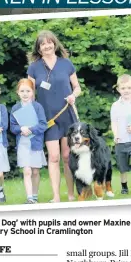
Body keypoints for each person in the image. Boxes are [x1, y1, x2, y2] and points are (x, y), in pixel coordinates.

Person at [27, 30, 81, 203]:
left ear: (55, 44)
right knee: (54, 157)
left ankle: (71, 194)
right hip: (47, 119)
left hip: (67, 115)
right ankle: (56, 196)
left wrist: (74, 95)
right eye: (43, 44)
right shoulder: (34, 67)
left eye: (49, 42)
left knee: (67, 156)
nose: (47, 46)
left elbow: (77, 87)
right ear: (39, 48)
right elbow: (30, 94)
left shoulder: (66, 63)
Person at [9, 78, 48, 204]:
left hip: (35, 142)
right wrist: (21, 129)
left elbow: (43, 125)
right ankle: (29, 198)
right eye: (22, 91)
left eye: (28, 91)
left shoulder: (37, 107)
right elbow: (12, 127)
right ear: (18, 92)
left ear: (32, 92)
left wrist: (31, 129)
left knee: (35, 171)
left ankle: (35, 196)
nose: (25, 94)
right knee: (27, 170)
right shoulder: (15, 108)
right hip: (23, 143)